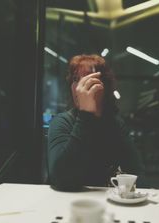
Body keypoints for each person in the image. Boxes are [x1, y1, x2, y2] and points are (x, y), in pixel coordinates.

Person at [48, 54, 143, 191]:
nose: (80, 87)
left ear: (104, 87)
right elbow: (61, 179)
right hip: (67, 203)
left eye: (89, 79)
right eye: (76, 79)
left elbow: (137, 174)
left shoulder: (115, 124)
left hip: (105, 204)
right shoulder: (62, 122)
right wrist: (86, 114)